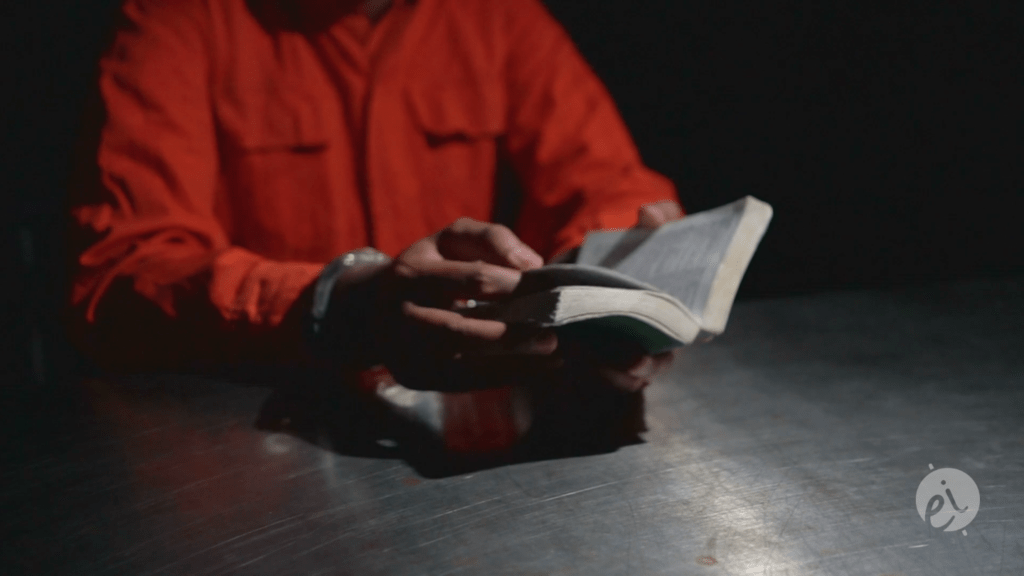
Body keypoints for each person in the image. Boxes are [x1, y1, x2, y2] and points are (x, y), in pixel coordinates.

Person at [68, 0, 684, 395]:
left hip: (472, 428)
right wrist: (341, 301)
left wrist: (604, 266)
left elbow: (609, 179)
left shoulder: (496, 17)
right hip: (261, 436)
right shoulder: (180, 18)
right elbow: (121, 274)